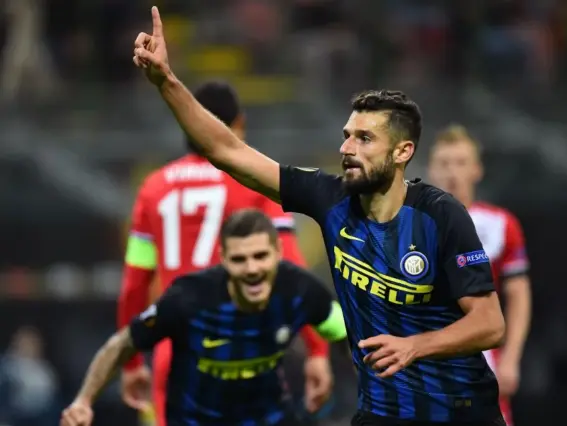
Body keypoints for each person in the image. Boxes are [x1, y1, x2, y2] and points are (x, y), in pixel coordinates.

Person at [131, 7, 506, 425]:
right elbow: (228, 152)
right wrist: (166, 81)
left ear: (403, 152)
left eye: (365, 139)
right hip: (379, 413)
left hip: (460, 412)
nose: (348, 148)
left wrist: (415, 346)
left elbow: (490, 324)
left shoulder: (440, 215)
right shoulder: (330, 199)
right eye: (347, 136)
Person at [118, 80, 333, 425]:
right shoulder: (253, 180)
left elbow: (134, 285)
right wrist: (317, 351)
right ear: (239, 125)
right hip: (241, 348)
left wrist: (129, 363)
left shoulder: (153, 188)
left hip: (172, 351)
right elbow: (291, 266)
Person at [61, 209, 347, 426]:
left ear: (278, 252)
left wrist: (385, 391)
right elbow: (122, 344)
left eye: (261, 256)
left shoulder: (298, 289)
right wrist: (84, 400)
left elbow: (349, 334)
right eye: (239, 259)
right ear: (222, 257)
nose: (252, 269)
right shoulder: (189, 298)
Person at [428, 125, 532, 426]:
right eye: (444, 163)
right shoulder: (408, 226)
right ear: (431, 169)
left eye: (461, 163)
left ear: (476, 169)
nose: (452, 173)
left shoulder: (501, 225)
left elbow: (518, 295)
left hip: (482, 364)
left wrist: (511, 359)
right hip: (424, 363)